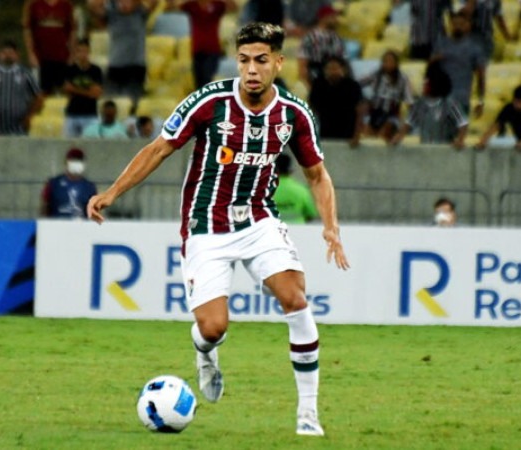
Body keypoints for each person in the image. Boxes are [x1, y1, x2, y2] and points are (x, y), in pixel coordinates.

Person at [86, 22, 349, 437]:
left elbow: (317, 175)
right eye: (244, 60)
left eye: (261, 60)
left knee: (296, 300)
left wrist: (331, 228)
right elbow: (159, 148)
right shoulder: (208, 103)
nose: (251, 69)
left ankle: (308, 414)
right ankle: (205, 354)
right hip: (206, 225)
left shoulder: (295, 114)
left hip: (260, 220)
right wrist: (113, 192)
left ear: (278, 63)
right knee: (213, 327)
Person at [88, 0, 157, 105]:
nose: (125, 3)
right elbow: (92, 5)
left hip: (135, 66)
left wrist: (136, 3)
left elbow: (154, 3)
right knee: (110, 102)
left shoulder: (140, 12)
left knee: (132, 104)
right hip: (115, 66)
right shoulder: (112, 13)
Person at [390, 62, 468, 149]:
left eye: (426, 83)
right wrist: (398, 137)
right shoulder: (419, 104)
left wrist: (460, 140)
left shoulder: (450, 103)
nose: (423, 85)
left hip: (445, 150)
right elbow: (408, 124)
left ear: (435, 84)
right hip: (425, 148)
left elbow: (463, 123)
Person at [0, 40, 43, 135]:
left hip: (19, 130)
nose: (7, 56)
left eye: (11, 53)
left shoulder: (25, 74)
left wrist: (30, 116)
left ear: (17, 55)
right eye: (4, 53)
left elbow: (39, 96)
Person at [169, 0, 238, 89]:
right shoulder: (192, 5)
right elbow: (173, 7)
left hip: (212, 50)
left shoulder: (217, 4)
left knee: (207, 81)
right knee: (198, 84)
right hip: (197, 49)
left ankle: (210, 101)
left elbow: (234, 8)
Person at [432, 11, 486, 116]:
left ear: (467, 25)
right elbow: (430, 69)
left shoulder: (474, 48)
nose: (457, 27)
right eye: (455, 24)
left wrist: (480, 101)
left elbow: (481, 76)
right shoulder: (441, 43)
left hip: (462, 99)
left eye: (461, 24)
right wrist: (435, 59)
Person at [22, 0, 76, 95]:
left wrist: (72, 53)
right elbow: (27, 29)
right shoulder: (32, 3)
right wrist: (30, 53)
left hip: (62, 56)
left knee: (65, 91)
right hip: (41, 57)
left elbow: (72, 30)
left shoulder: (66, 4)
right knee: (42, 92)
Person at [308, 56, 363, 147]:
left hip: (347, 129)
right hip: (325, 128)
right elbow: (311, 108)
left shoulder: (352, 86)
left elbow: (360, 111)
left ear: (343, 70)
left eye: (336, 68)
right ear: (324, 70)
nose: (333, 71)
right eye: (329, 68)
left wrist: (357, 135)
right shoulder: (318, 84)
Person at [360, 50, 414, 141]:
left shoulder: (403, 79)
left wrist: (405, 125)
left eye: (391, 61)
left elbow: (409, 102)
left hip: (391, 115)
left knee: (386, 130)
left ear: (396, 63)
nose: (388, 64)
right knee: (366, 133)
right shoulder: (376, 74)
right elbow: (358, 84)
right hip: (374, 113)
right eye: (385, 61)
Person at [475, 85, 521, 151]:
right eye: (517, 102)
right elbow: (496, 125)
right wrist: (483, 141)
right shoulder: (509, 108)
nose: (519, 106)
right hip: (520, 140)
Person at [297, 5, 345, 89]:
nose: (336, 20)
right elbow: (303, 64)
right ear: (324, 18)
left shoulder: (337, 38)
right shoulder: (310, 37)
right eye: (333, 17)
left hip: (335, 80)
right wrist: (309, 87)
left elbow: (342, 63)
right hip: (316, 77)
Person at [41, 148, 98, 218]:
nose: (76, 163)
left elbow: (95, 211)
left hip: (81, 225)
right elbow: (45, 206)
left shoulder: (90, 187)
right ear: (66, 162)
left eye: (79, 160)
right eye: (73, 160)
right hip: (57, 224)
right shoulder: (53, 183)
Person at [63, 38, 103, 138]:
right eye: (79, 51)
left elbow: (96, 93)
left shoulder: (96, 70)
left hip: (90, 115)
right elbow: (67, 89)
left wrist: (75, 90)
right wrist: (87, 92)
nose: (83, 54)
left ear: (89, 52)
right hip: (72, 114)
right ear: (76, 53)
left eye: (85, 51)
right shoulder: (70, 70)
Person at [273, 154, 318, 224]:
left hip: (273, 231)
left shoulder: (265, 190)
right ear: (290, 170)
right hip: (298, 231)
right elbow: (310, 214)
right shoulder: (301, 190)